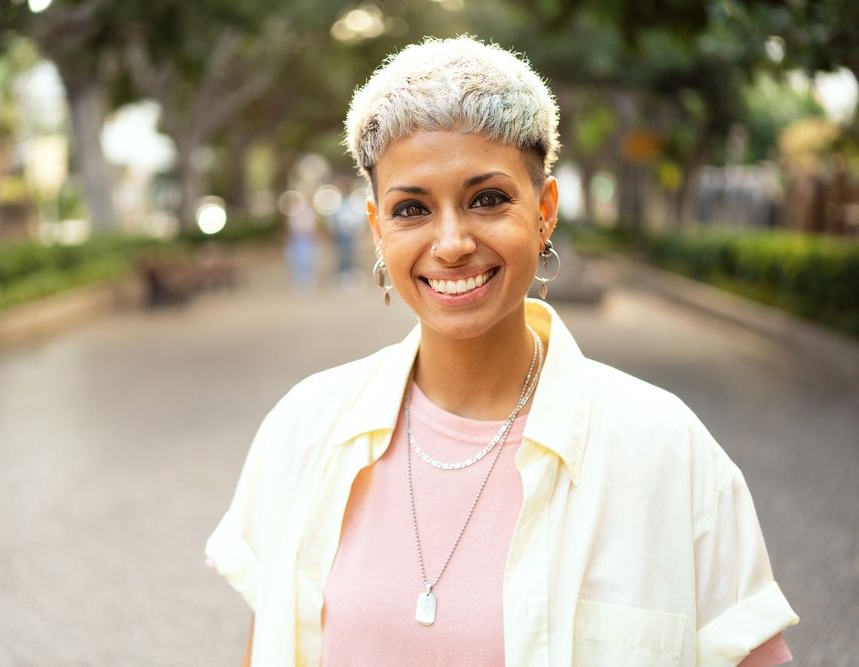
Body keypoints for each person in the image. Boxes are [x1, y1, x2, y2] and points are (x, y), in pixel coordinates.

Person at [205, 36, 799, 666]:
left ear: (544, 212)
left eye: (487, 199)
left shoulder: (667, 451)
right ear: (379, 230)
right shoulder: (303, 430)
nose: (453, 242)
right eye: (413, 208)